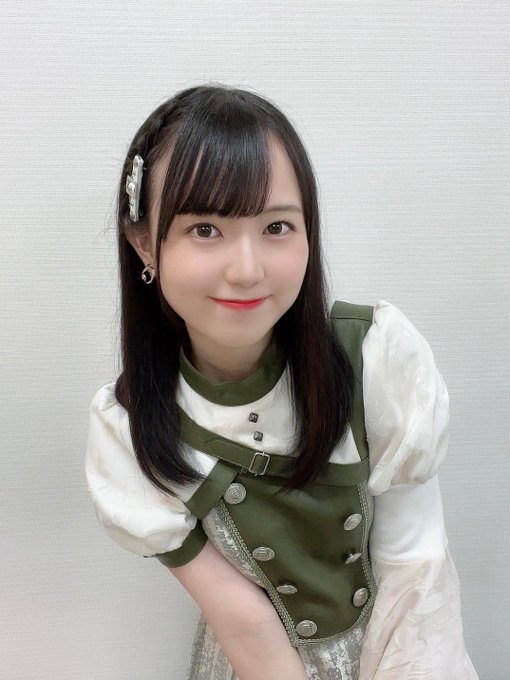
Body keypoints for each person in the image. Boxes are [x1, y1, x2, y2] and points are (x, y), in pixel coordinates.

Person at [85, 84, 478, 680]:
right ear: (145, 243)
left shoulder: (374, 359)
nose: (247, 270)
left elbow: (415, 570)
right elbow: (246, 625)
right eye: (205, 229)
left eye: (276, 227)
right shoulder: (132, 425)